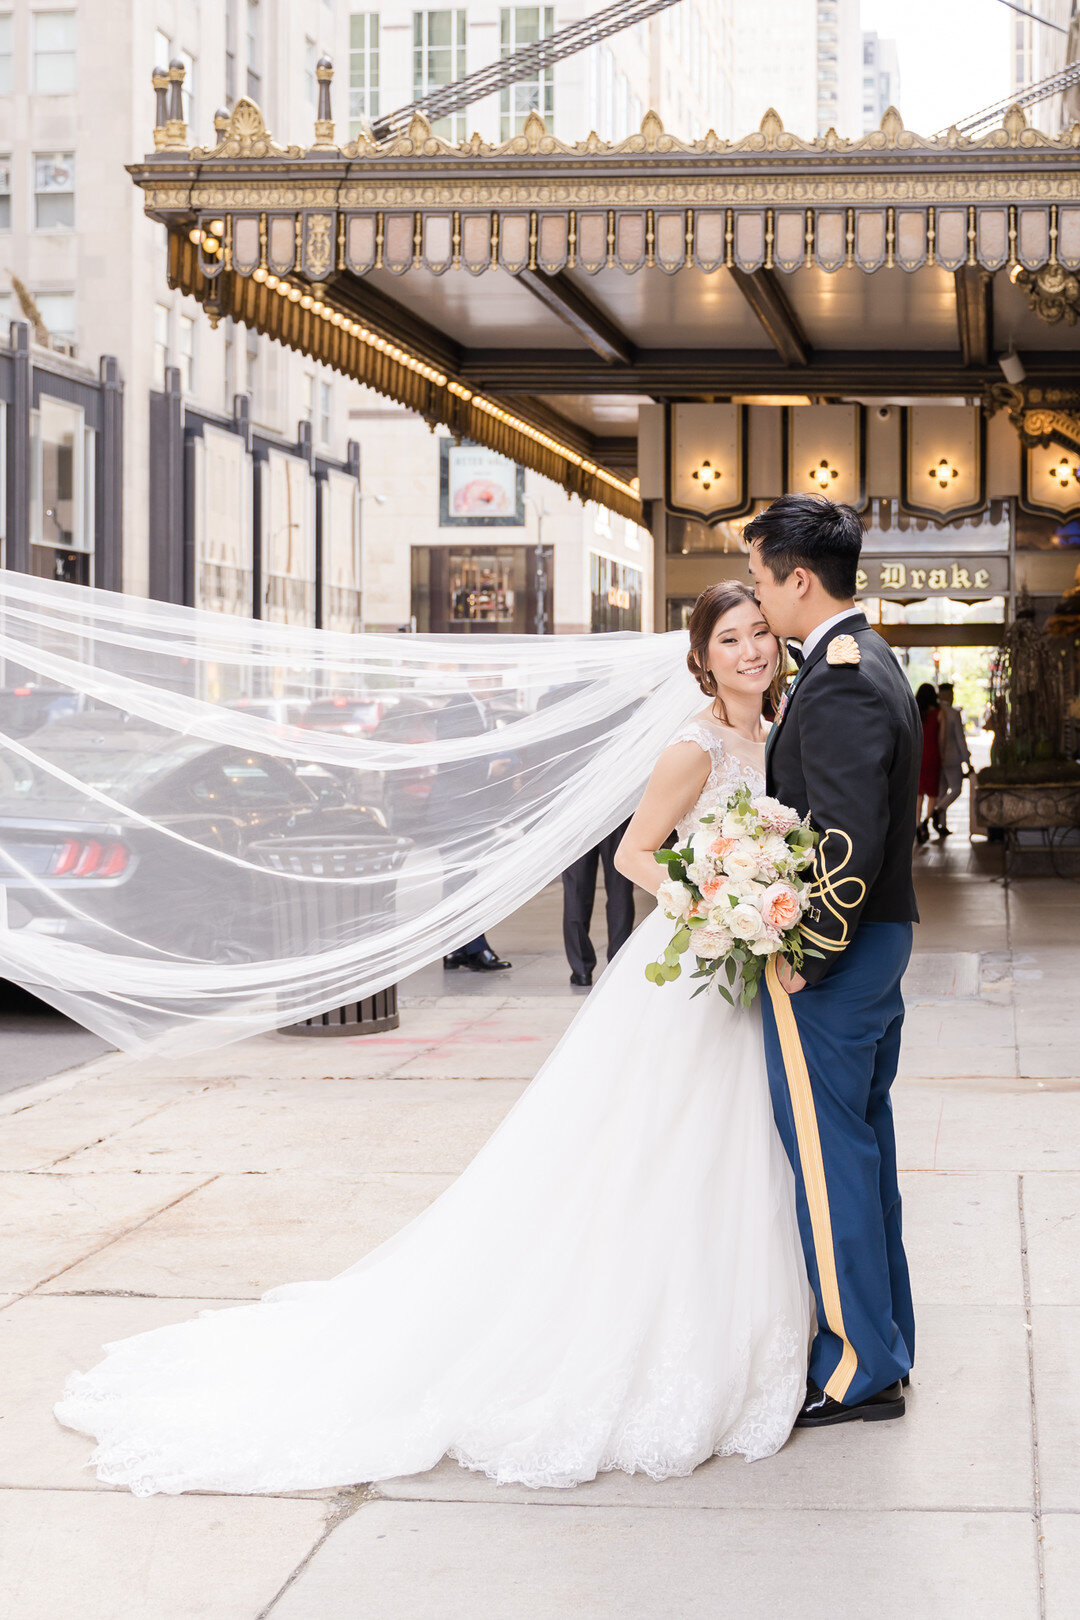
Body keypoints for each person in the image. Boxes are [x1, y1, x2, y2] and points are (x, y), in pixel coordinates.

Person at [55, 581, 811, 1495]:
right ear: (702, 656)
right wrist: (717, 899)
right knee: (660, 1145)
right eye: (730, 638)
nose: (751, 651)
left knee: (736, 1147)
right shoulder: (692, 745)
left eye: (760, 634)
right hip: (695, 960)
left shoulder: (777, 732)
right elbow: (635, 854)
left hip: (747, 964)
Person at [747, 493, 921, 1429]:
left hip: (842, 959)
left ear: (799, 578)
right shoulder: (871, 658)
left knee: (832, 1160)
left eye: (764, 581)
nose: (759, 603)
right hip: (880, 947)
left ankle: (859, 1367)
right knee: (864, 1148)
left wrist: (807, 953)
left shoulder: (843, 675)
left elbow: (847, 839)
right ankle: (885, 1342)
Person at [427, 685, 511, 973]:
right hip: (453, 808)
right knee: (463, 880)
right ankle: (475, 950)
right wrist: (490, 770)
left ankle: (455, 949)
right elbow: (452, 759)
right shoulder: (458, 708)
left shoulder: (480, 709)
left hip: (467, 807)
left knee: (459, 879)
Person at [560, 820, 635, 987]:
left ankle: (581, 970)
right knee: (619, 888)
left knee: (576, 891)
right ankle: (617, 963)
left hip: (578, 816)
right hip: (617, 812)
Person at [932, 682, 971, 837]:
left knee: (942, 791)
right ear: (948, 695)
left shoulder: (934, 712)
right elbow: (961, 740)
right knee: (956, 789)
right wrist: (967, 761)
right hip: (952, 758)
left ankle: (943, 825)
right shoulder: (953, 713)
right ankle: (937, 811)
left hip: (937, 757)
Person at [914, 682, 944, 844]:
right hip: (933, 756)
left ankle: (917, 825)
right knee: (932, 794)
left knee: (918, 795)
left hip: (918, 756)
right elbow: (942, 739)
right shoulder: (939, 714)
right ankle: (926, 822)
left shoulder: (915, 712)